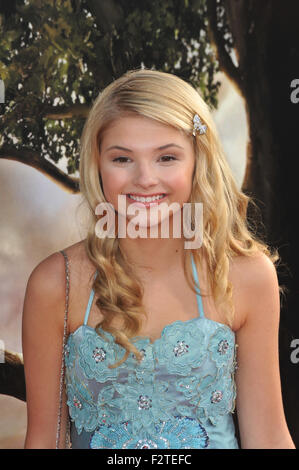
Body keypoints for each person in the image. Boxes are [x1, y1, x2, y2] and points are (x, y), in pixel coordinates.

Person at [22, 68, 295, 449]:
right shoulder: (56, 284)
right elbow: (42, 441)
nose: (145, 178)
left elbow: (268, 437)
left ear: (197, 161)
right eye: (122, 159)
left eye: (167, 157)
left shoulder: (247, 276)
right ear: (97, 164)